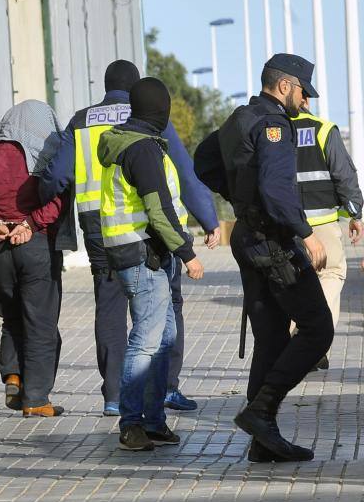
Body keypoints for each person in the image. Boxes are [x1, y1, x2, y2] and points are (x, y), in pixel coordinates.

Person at [38, 60, 219, 417]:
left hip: (98, 224)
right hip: (148, 230)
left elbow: (57, 176)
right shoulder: (150, 118)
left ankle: (113, 396)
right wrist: (209, 220)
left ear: (106, 86)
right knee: (166, 307)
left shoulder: (81, 120)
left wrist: (35, 203)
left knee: (109, 305)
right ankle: (165, 388)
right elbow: (184, 173)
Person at [210, 54, 333, 462]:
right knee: (318, 329)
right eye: (303, 92)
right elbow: (277, 191)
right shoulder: (275, 124)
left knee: (272, 338)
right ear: (284, 87)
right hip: (274, 241)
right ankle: (260, 414)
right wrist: (307, 234)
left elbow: (202, 161)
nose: (306, 101)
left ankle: (262, 443)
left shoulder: (239, 118)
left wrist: (239, 200)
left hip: (247, 236)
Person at [97, 77, 204, 451]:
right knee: (146, 340)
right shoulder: (142, 149)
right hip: (142, 254)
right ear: (160, 109)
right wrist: (187, 253)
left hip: (142, 253)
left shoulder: (133, 143)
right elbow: (158, 210)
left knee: (165, 339)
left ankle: (154, 420)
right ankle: (132, 424)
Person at [0, 99, 75, 417]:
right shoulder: (47, 153)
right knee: (40, 322)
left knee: (12, 315)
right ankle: (36, 398)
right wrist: (30, 223)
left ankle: (13, 375)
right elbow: (58, 199)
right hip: (36, 243)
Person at [291, 98, 364, 369]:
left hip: (283, 225)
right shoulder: (322, 129)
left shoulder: (271, 129)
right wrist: (355, 213)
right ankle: (313, 341)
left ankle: (294, 340)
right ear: (306, 100)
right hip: (321, 224)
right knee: (331, 274)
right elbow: (345, 175)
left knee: (290, 281)